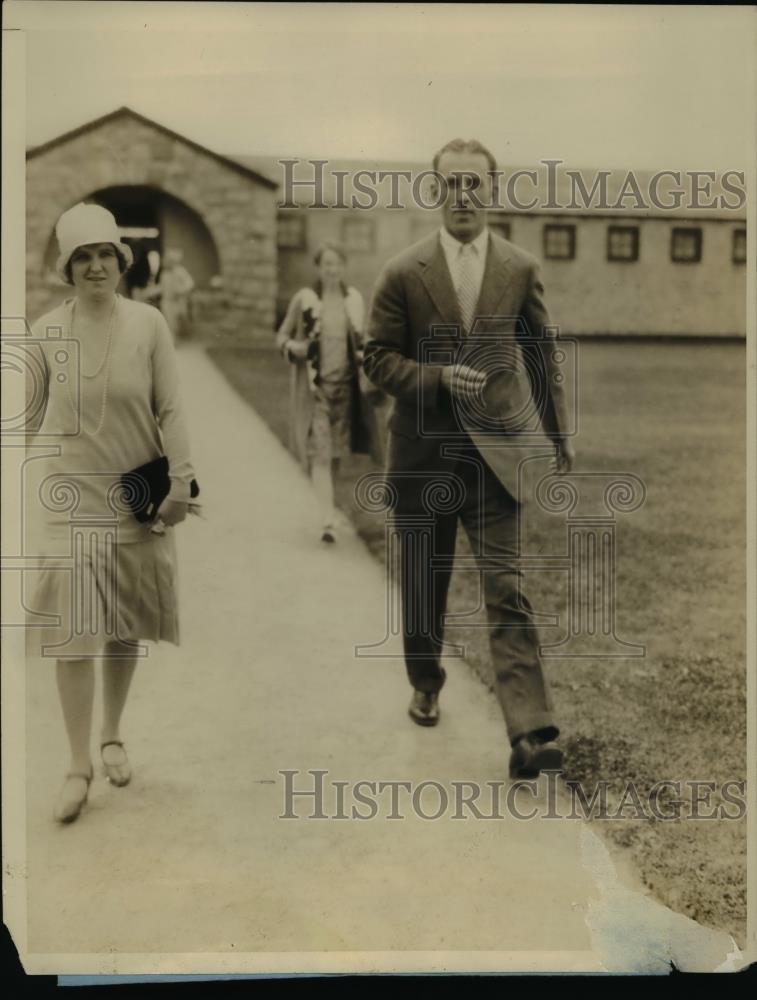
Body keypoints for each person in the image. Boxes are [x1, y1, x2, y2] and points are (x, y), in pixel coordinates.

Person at [362, 138, 575, 779]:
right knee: (425, 586)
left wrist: (559, 439)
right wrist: (434, 377)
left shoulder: (519, 267)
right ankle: (426, 679)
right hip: (422, 458)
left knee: (507, 588)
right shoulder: (403, 271)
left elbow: (541, 356)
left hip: (496, 459)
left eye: (474, 184)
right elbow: (376, 357)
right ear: (435, 192)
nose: (463, 196)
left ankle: (530, 732)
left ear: (491, 190)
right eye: (451, 184)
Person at [25, 202, 197, 823]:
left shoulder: (148, 324)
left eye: (105, 254)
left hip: (137, 498)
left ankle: (113, 732)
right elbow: (21, 421)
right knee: (71, 636)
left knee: (123, 624)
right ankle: (78, 765)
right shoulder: (44, 332)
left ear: (121, 262)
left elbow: (172, 409)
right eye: (82, 257)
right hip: (71, 501)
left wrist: (180, 485)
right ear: (66, 268)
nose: (95, 266)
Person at [275, 241, 384, 543]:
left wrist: (366, 358)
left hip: (346, 389)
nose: (332, 270)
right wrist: (292, 347)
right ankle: (327, 519)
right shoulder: (306, 299)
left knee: (335, 452)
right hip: (317, 389)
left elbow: (361, 343)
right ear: (319, 268)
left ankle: (329, 512)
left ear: (344, 267)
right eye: (326, 265)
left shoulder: (354, 300)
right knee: (320, 452)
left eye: (337, 264)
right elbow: (282, 334)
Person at [158, 247, 195, 341]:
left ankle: (175, 340)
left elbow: (190, 283)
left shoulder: (180, 271)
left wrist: (180, 290)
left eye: (169, 260)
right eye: (166, 260)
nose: (166, 262)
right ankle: (171, 341)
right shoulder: (164, 273)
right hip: (166, 301)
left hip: (176, 301)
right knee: (167, 321)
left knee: (175, 322)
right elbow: (162, 287)